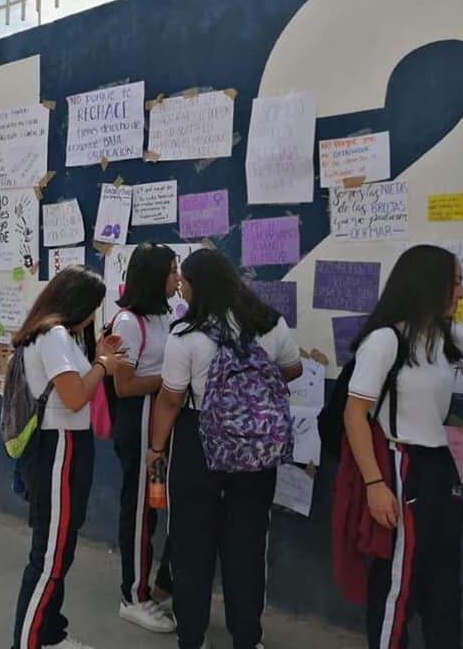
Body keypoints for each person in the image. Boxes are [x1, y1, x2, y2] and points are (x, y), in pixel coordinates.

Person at [147, 249, 302, 649]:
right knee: (247, 548)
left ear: (199, 286)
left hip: (200, 445)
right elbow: (293, 369)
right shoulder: (270, 324)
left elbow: (170, 399)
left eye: (184, 279)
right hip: (256, 452)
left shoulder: (186, 335)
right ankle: (247, 639)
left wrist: (156, 448)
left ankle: (193, 637)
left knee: (191, 547)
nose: (179, 284)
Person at [342, 245, 463, 649]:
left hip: (440, 466)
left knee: (444, 581)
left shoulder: (447, 338)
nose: (461, 293)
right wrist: (375, 485)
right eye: (455, 282)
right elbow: (355, 416)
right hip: (400, 466)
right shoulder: (385, 341)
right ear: (429, 285)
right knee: (398, 583)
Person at [11, 265, 122, 649]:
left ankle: (50, 634)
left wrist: (97, 357)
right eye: (93, 307)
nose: (94, 316)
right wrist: (103, 367)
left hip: (69, 444)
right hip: (59, 447)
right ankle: (28, 642)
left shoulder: (62, 336)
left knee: (61, 548)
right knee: (49, 558)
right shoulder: (54, 335)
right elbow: (75, 396)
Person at [109, 243, 178, 633]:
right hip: (140, 424)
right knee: (140, 510)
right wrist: (174, 379)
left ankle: (160, 582)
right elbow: (124, 386)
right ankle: (133, 596)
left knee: (159, 504)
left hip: (164, 422)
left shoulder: (165, 317)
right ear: (154, 277)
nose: (177, 278)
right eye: (171, 271)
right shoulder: (127, 324)